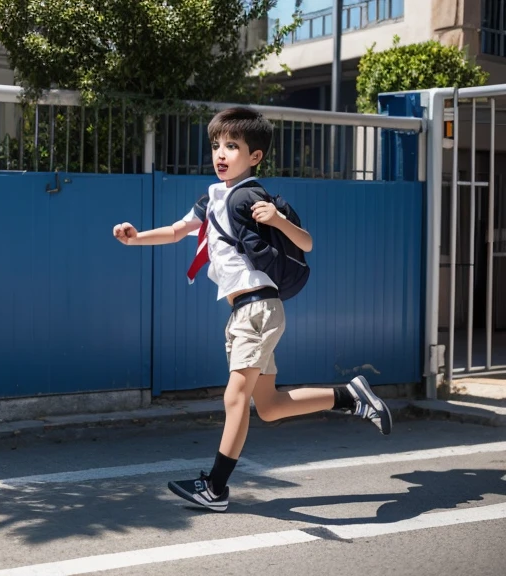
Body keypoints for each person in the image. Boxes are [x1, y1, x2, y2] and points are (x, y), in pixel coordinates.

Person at [111, 106, 392, 513]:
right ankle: (350, 396)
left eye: (232, 146)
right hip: (246, 311)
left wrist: (278, 220)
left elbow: (307, 243)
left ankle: (215, 487)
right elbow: (176, 232)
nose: (221, 154)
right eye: (216, 145)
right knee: (271, 406)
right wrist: (135, 238)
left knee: (235, 396)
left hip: (257, 309)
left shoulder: (251, 195)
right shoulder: (213, 197)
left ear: (255, 156)